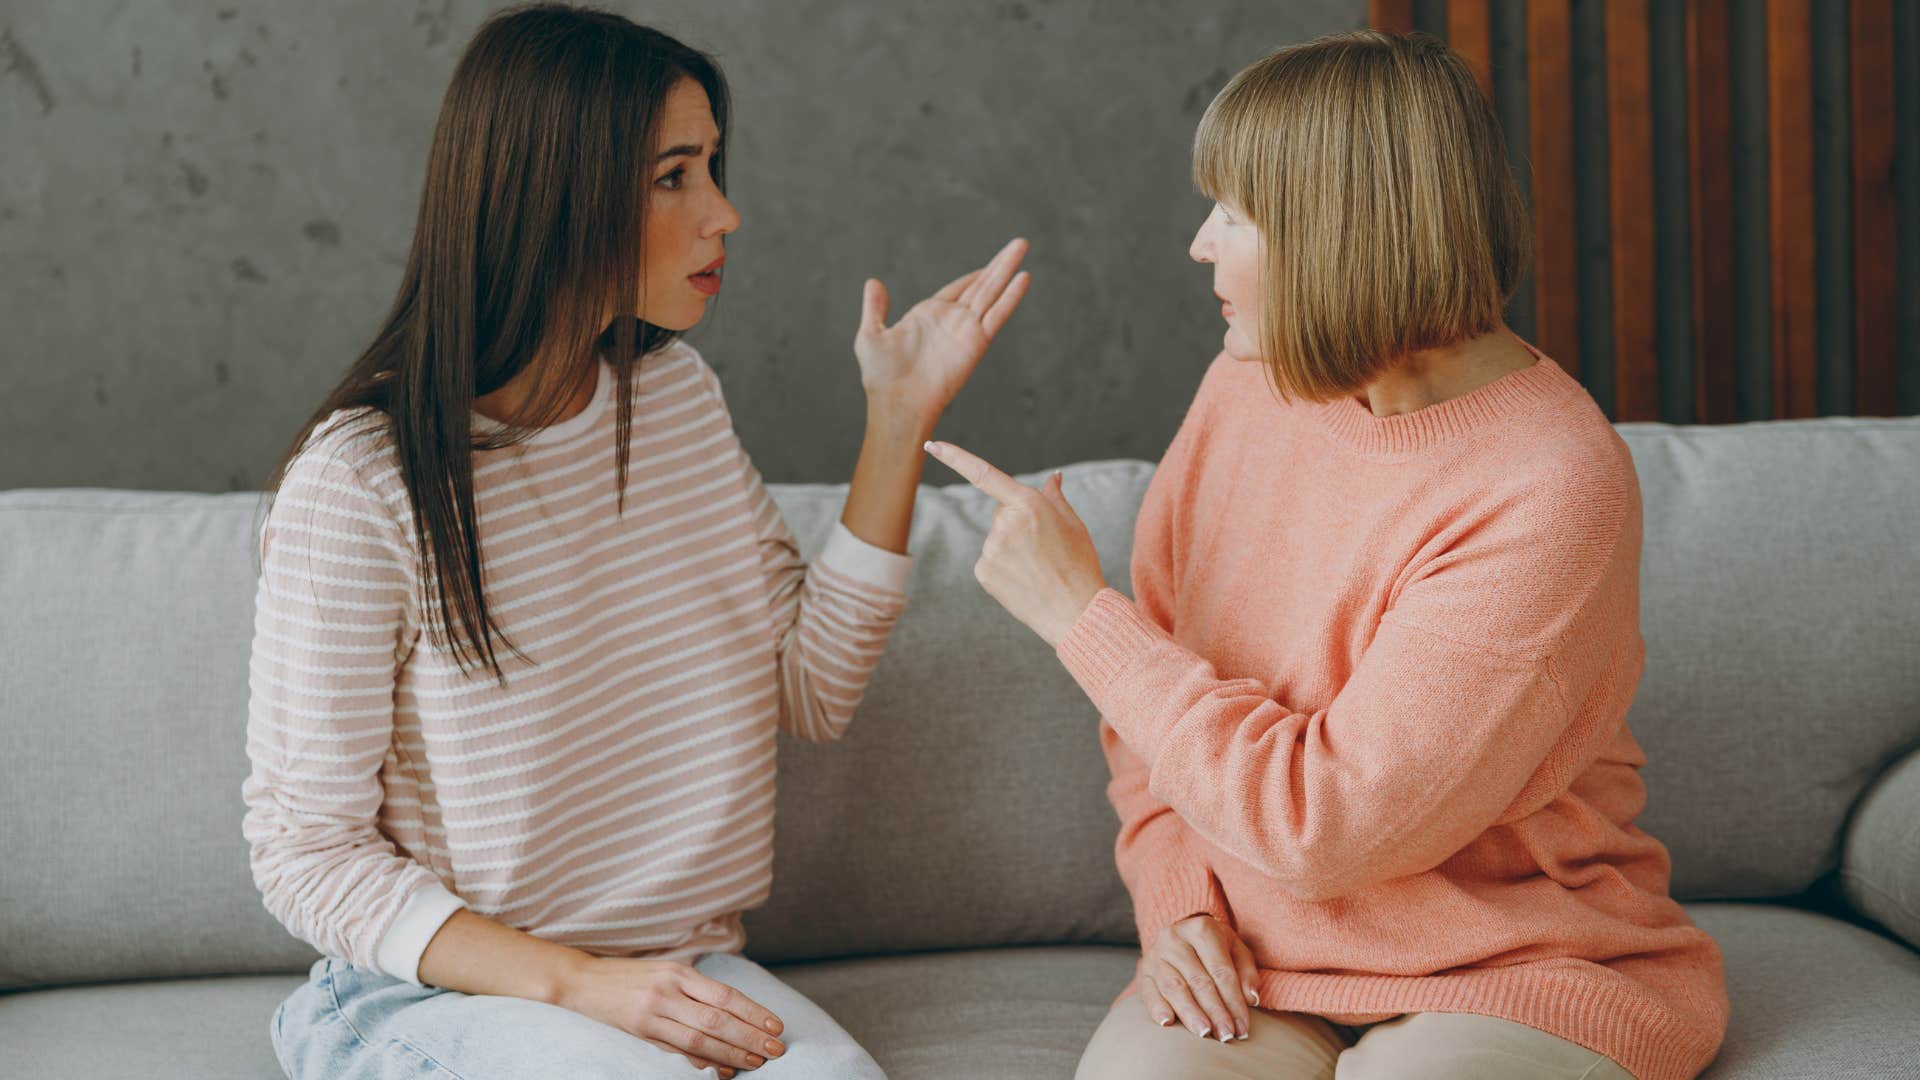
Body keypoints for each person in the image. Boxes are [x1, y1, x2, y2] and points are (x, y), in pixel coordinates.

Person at [926, 30, 1728, 1080]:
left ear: (1338, 230)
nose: (1199, 246)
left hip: (1518, 965)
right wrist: (1180, 902)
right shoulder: (1247, 387)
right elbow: (1150, 710)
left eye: (1233, 215)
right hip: (1252, 964)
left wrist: (1079, 615)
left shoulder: (1552, 483)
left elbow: (1326, 827)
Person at [242, 6, 1028, 1078]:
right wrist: (582, 984)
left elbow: (812, 687)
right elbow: (304, 854)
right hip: (429, 994)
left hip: (675, 967)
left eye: (711, 167)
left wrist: (898, 423)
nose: (724, 213)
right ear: (553, 194)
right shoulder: (364, 480)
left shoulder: (673, 399)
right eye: (673, 177)